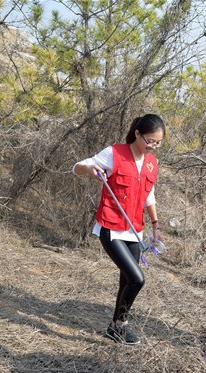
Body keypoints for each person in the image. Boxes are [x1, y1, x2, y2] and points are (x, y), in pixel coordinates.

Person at [73, 114, 165, 345]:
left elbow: (148, 195)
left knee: (126, 280)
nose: (152, 146)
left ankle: (115, 328)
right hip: (111, 228)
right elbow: (78, 167)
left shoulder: (152, 162)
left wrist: (155, 225)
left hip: (135, 229)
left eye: (158, 143)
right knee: (137, 279)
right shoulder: (114, 154)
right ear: (137, 134)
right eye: (149, 141)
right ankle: (120, 325)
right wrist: (91, 170)